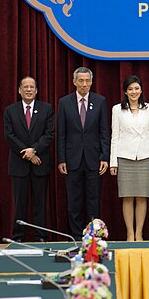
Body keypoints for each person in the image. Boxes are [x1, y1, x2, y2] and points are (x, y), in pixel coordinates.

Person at [57, 67, 110, 238]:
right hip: (72, 160)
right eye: (81, 80)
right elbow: (61, 133)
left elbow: (104, 132)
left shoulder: (100, 101)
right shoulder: (64, 102)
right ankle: (77, 237)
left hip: (94, 159)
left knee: (93, 200)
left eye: (87, 81)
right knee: (74, 201)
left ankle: (93, 237)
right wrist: (61, 158)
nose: (84, 84)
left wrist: (104, 156)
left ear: (92, 82)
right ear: (74, 82)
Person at [3, 76, 55, 242]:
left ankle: (41, 236)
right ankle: (17, 236)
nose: (28, 89)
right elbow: (9, 136)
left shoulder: (46, 109)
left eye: (31, 86)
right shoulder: (10, 110)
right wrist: (27, 153)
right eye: (25, 87)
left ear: (36, 90)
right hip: (19, 165)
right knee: (19, 203)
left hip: (40, 163)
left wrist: (34, 150)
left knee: (40, 203)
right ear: (19, 90)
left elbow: (49, 134)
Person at [109, 75, 149, 242]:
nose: (134, 91)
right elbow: (114, 136)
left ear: (141, 90)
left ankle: (139, 233)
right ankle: (130, 233)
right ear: (125, 92)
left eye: (136, 88)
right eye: (130, 89)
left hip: (144, 156)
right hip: (124, 156)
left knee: (142, 196)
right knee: (128, 196)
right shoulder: (117, 109)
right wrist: (113, 162)